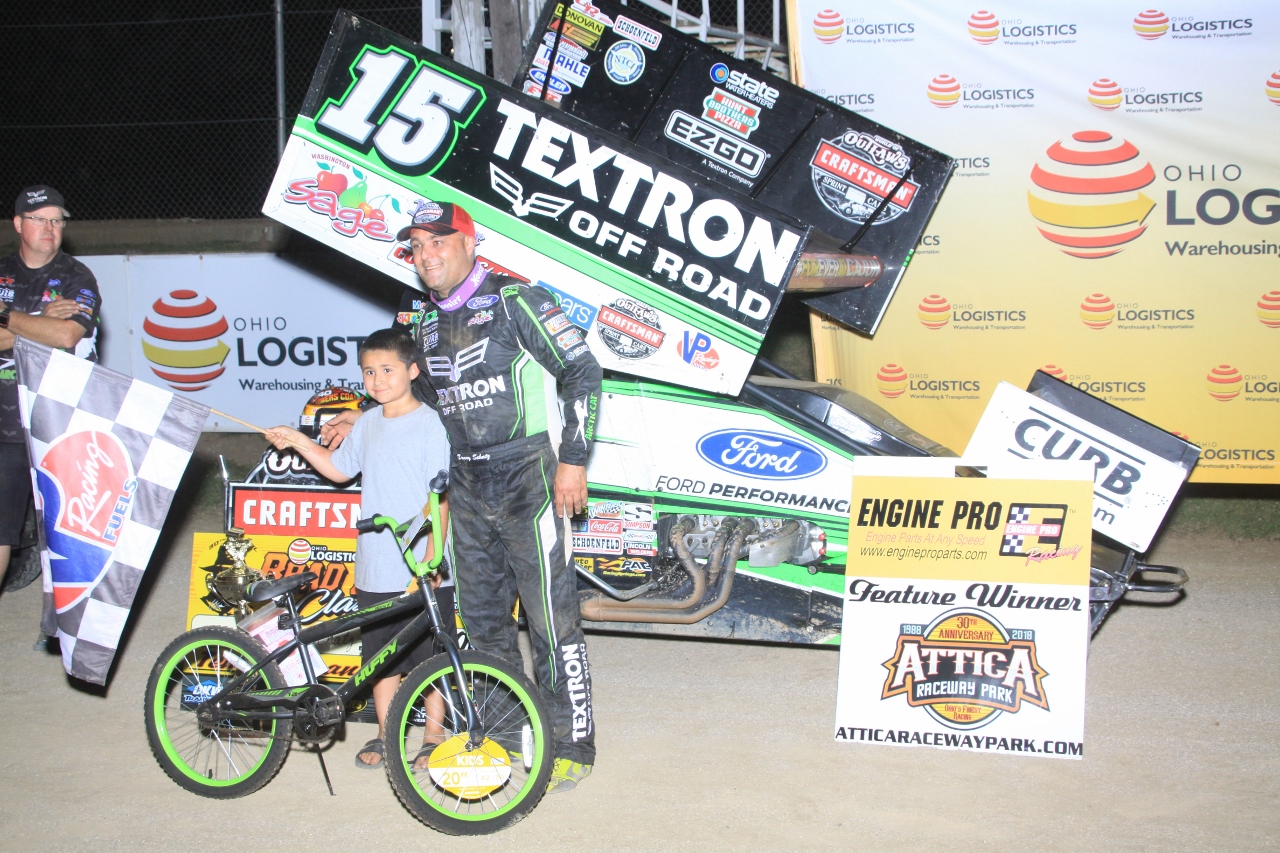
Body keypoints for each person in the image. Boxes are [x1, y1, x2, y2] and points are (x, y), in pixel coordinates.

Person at [324, 200, 603, 793]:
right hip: (466, 485)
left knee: (550, 618)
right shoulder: (421, 323)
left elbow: (582, 371)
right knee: (480, 624)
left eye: (438, 242)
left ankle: (571, 743)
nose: (425, 255)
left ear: (470, 244)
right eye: (416, 246)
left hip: (529, 475)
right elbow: (411, 389)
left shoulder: (517, 300)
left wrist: (574, 460)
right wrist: (360, 414)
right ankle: (500, 735)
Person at [265, 328, 452, 770]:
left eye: (387, 370)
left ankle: (434, 734)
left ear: (413, 371)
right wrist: (298, 440)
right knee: (381, 656)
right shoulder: (367, 422)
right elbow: (338, 469)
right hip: (375, 560)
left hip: (421, 561)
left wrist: (433, 559)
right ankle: (388, 735)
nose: (378, 380)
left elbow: (440, 498)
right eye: (369, 372)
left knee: (432, 654)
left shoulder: (432, 424)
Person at [0, 186, 101, 589]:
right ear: (18, 224)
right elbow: (49, 329)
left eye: (57, 220)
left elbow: (66, 334)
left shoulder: (78, 277)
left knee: (76, 526)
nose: (50, 227)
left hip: (63, 421)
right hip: (6, 424)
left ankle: (80, 611)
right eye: (39, 219)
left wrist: (8, 317)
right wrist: (39, 318)